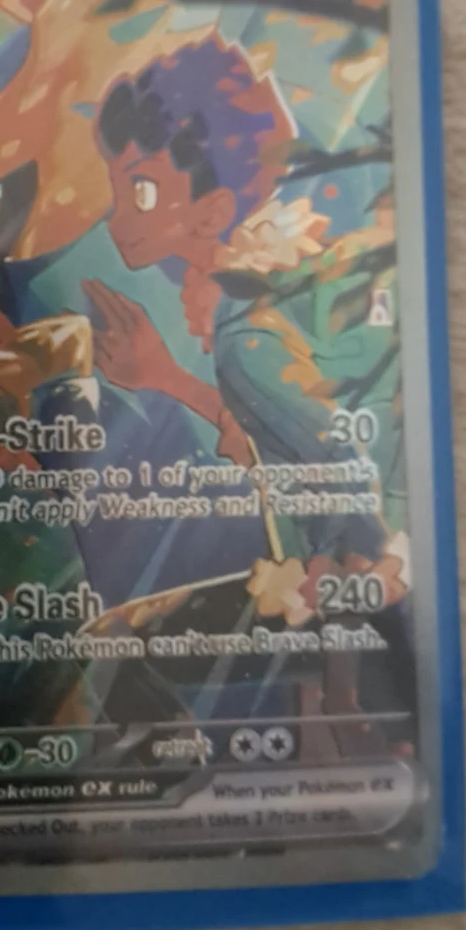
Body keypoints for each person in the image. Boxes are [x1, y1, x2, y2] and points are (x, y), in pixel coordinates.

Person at [84, 35, 408, 628]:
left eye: (142, 190)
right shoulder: (272, 289)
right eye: (117, 187)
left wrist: (353, 568)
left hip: (367, 582)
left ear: (212, 210)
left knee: (116, 640)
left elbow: (333, 455)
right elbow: (275, 425)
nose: (115, 214)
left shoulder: (245, 330)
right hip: (362, 568)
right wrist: (166, 377)